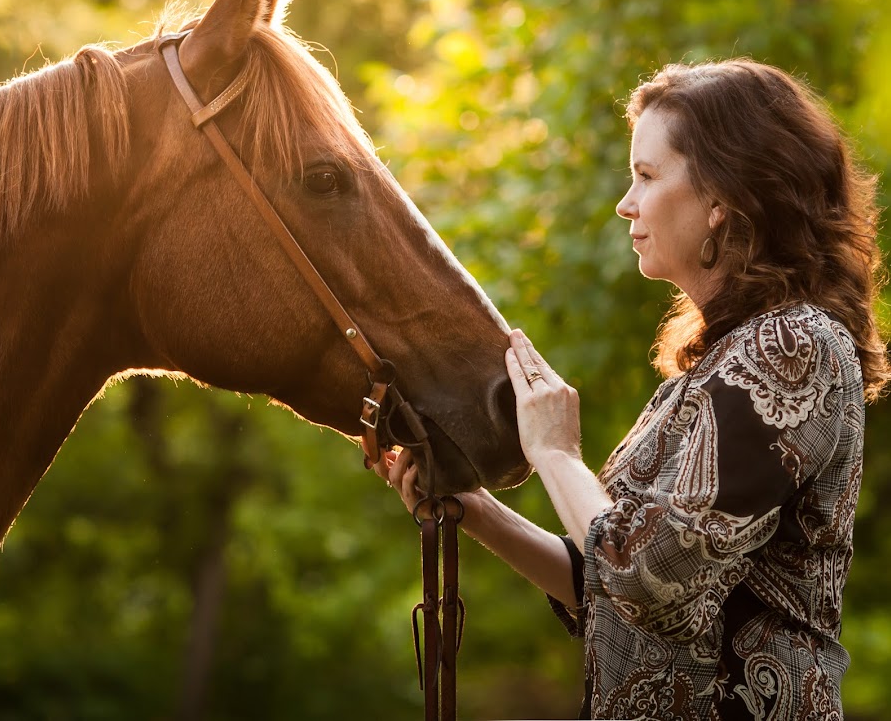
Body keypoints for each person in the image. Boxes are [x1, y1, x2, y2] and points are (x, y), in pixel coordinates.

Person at [373, 59, 889, 720]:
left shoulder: (795, 347)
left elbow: (650, 582)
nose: (626, 202)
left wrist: (556, 453)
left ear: (720, 201)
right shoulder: (711, 369)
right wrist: (468, 506)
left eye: (646, 176)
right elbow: (606, 583)